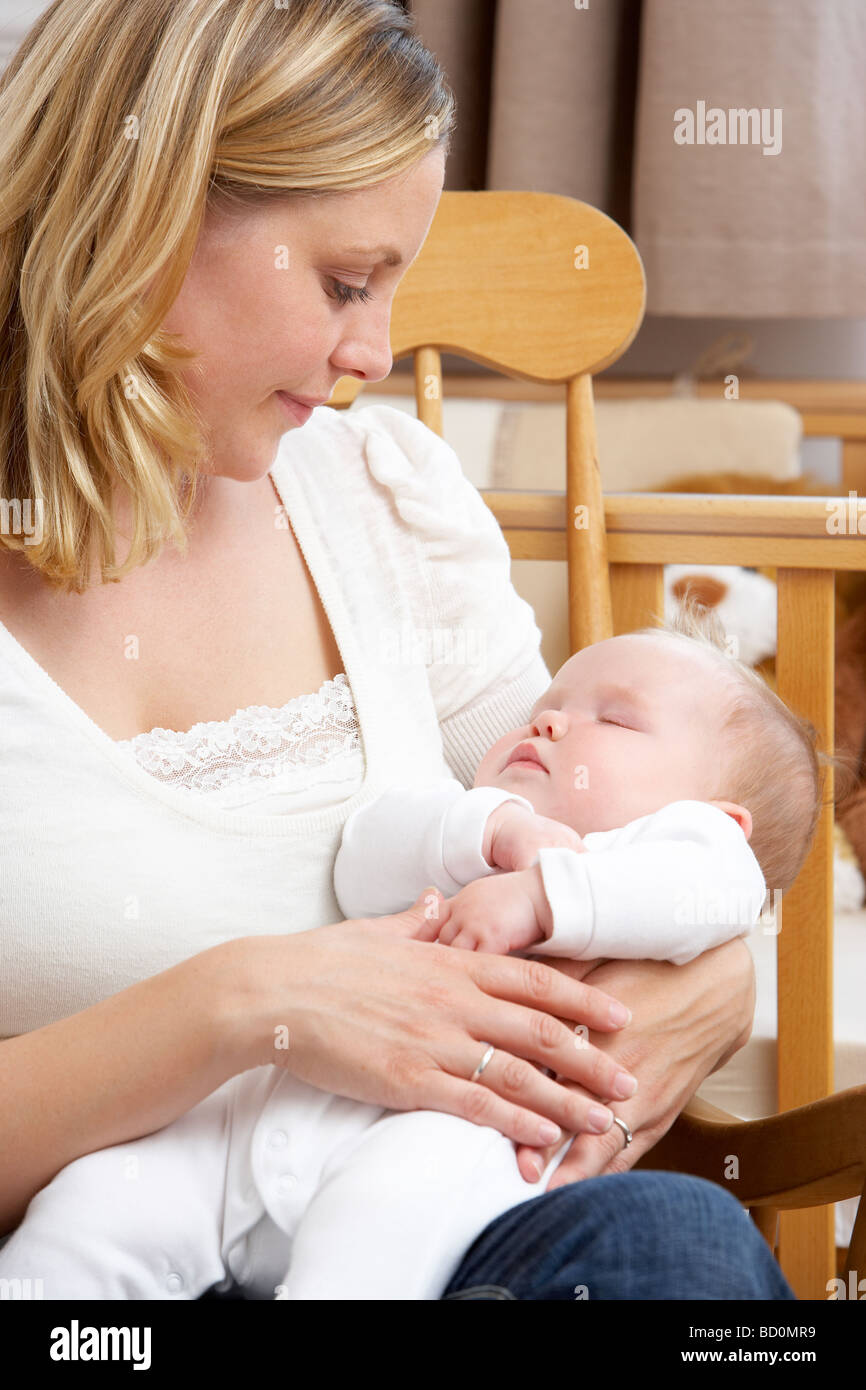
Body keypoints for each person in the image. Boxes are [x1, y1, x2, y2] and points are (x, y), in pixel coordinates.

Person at [0, 0, 797, 1301]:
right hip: (92, 1279)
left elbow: (614, 838)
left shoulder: (387, 501)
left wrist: (701, 990)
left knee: (675, 1248)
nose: (373, 353)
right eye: (341, 282)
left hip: (414, 1240)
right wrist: (243, 1005)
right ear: (145, 207)